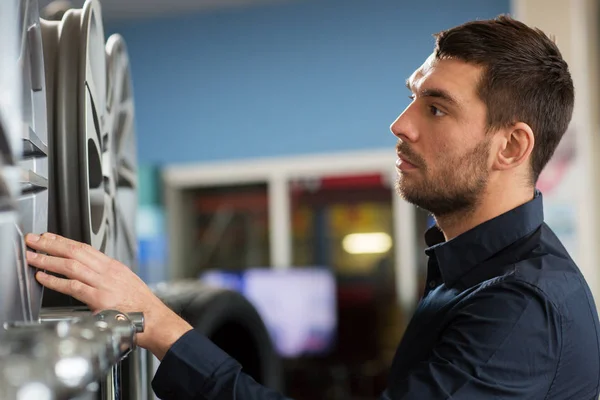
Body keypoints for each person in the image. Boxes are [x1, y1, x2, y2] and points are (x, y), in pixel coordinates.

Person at [24, 15, 600, 399]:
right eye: (411, 99)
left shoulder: (519, 309)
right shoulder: (471, 271)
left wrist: (160, 326)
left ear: (512, 145)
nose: (400, 126)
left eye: (437, 109)